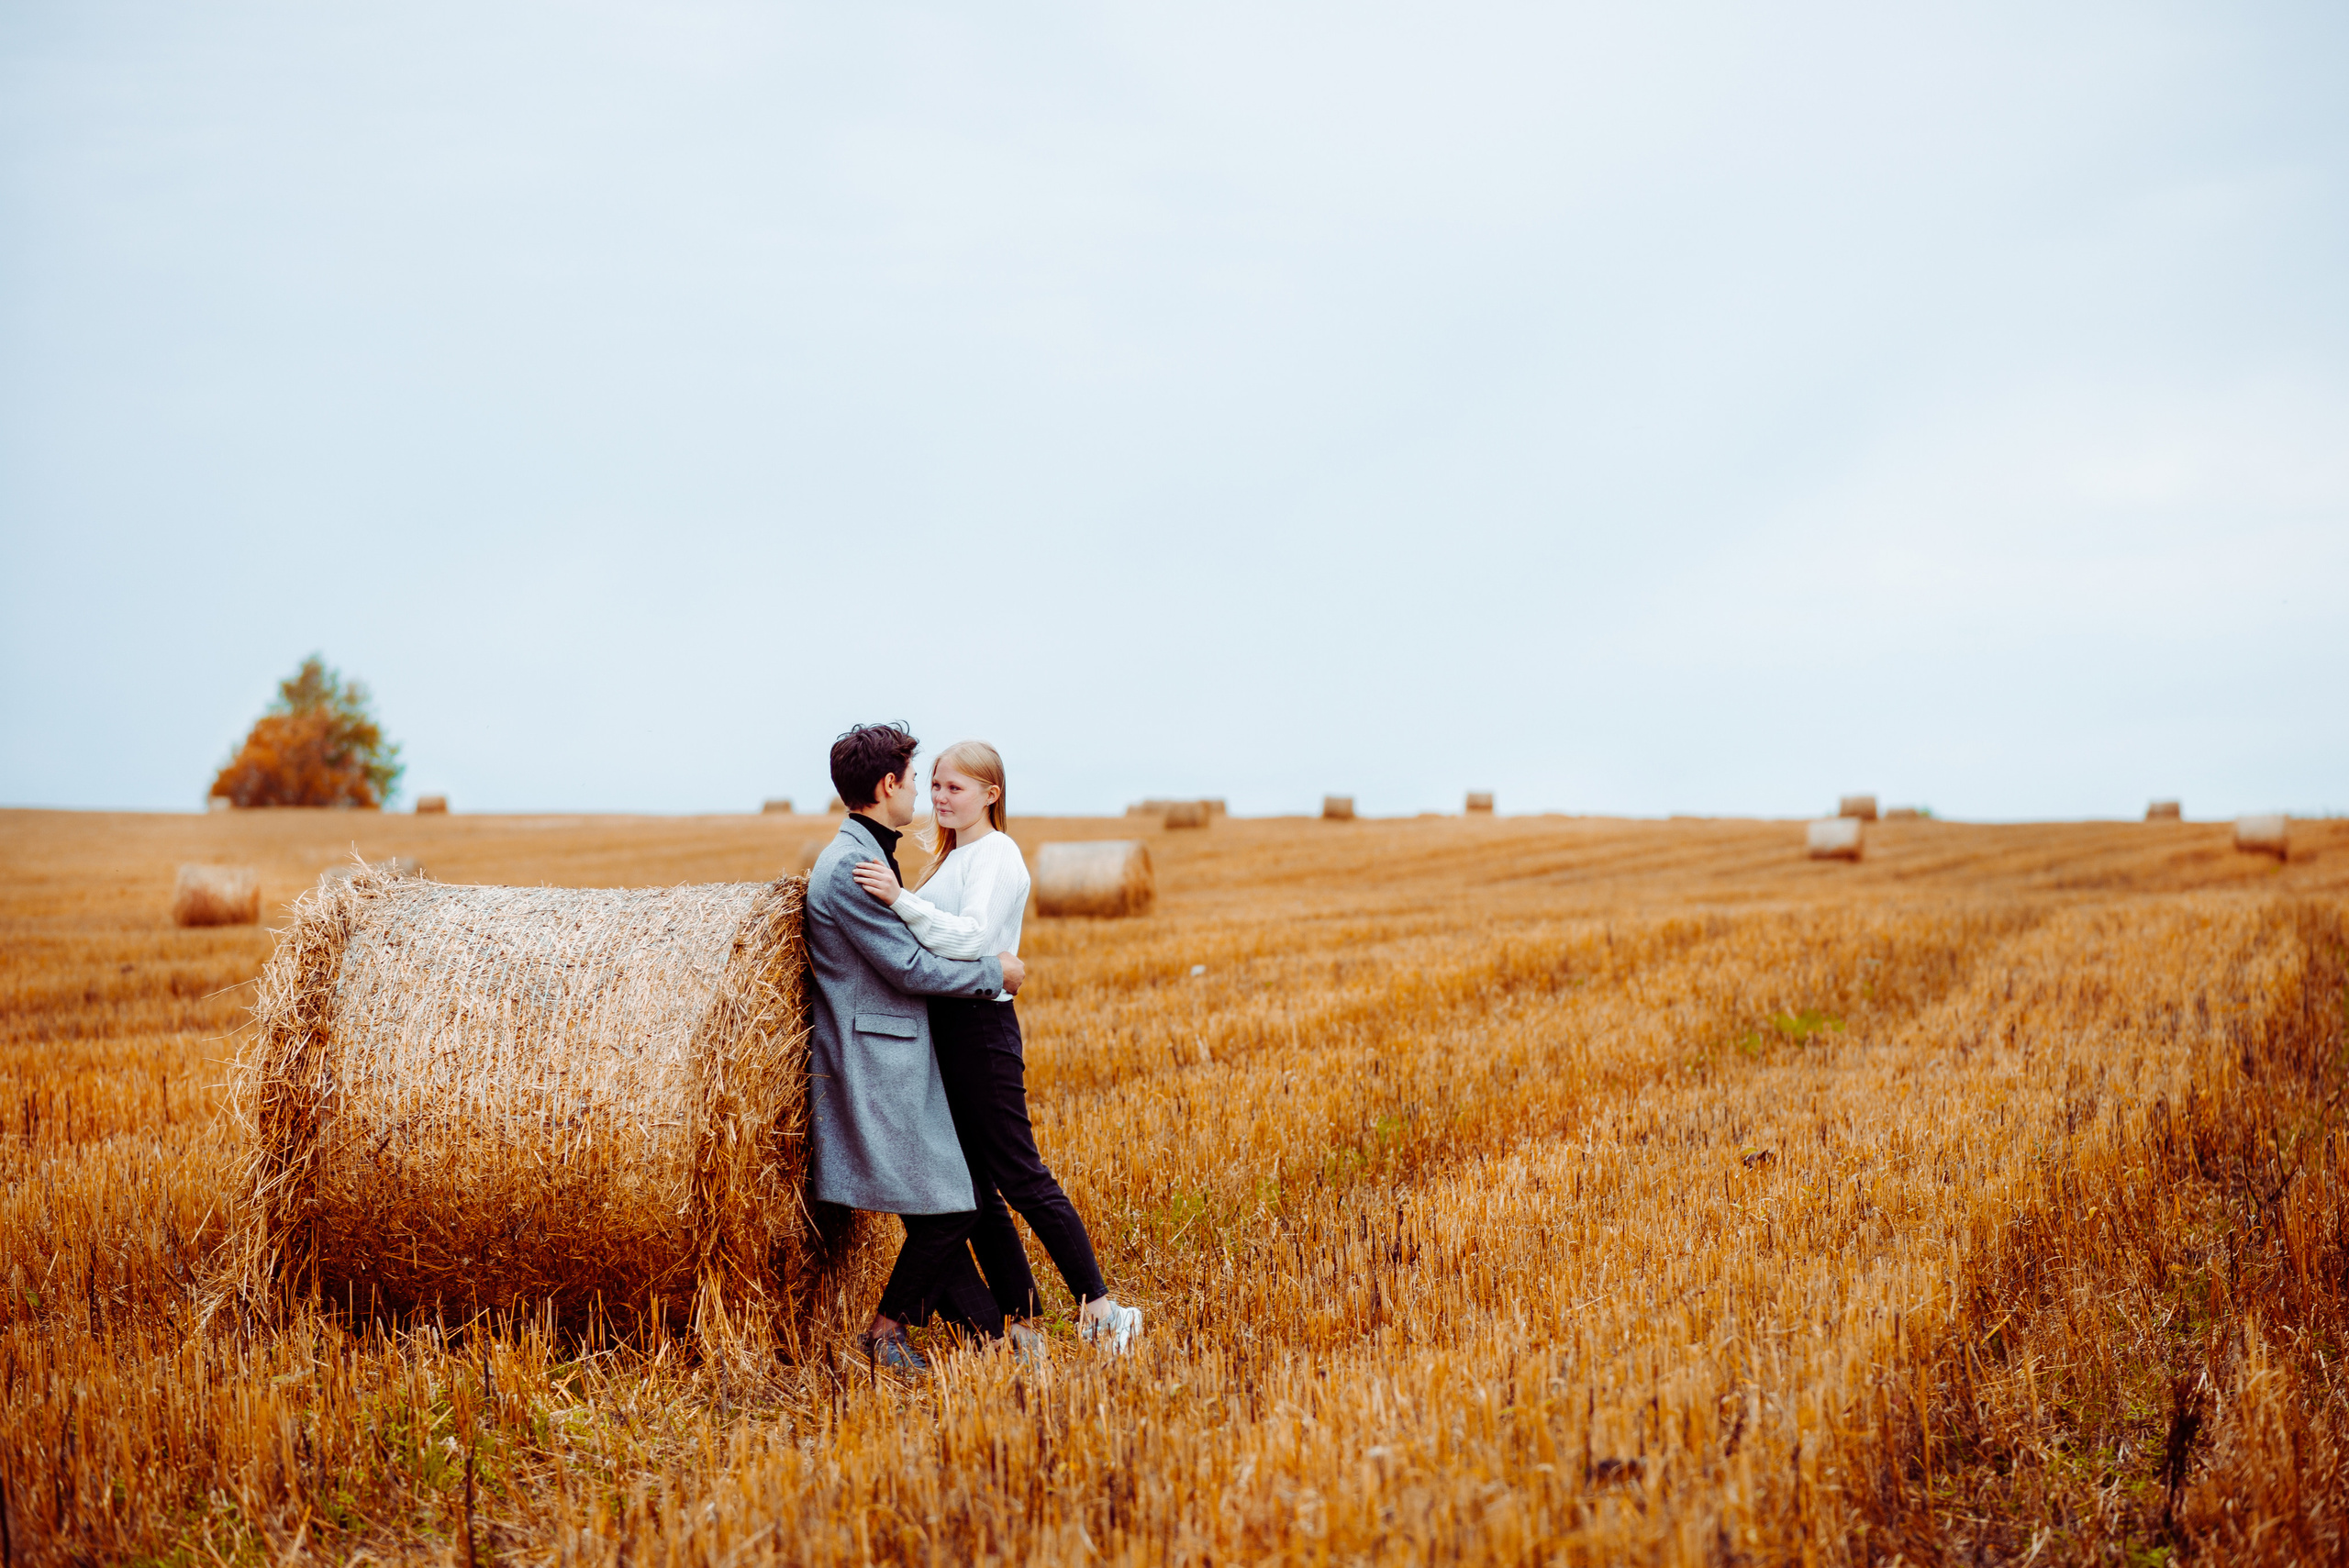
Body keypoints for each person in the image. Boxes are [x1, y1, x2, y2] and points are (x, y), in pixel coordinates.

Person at [852, 740, 1144, 1353]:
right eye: (934, 785)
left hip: (983, 1032)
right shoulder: (952, 857)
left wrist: (897, 899)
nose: (939, 797)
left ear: (992, 793)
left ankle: (1103, 1308)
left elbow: (974, 940)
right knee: (975, 1188)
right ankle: (1020, 1321)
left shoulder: (997, 854)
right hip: (950, 1033)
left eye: (955, 787)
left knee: (1021, 1174)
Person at [805, 722, 1025, 1376]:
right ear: (887, 785)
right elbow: (907, 966)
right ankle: (887, 1327)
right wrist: (996, 974)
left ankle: (990, 1331)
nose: (924, 795)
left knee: (944, 1201)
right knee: (952, 1202)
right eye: (916, 780)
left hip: (895, 1052)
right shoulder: (851, 865)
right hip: (879, 1060)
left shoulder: (866, 852)